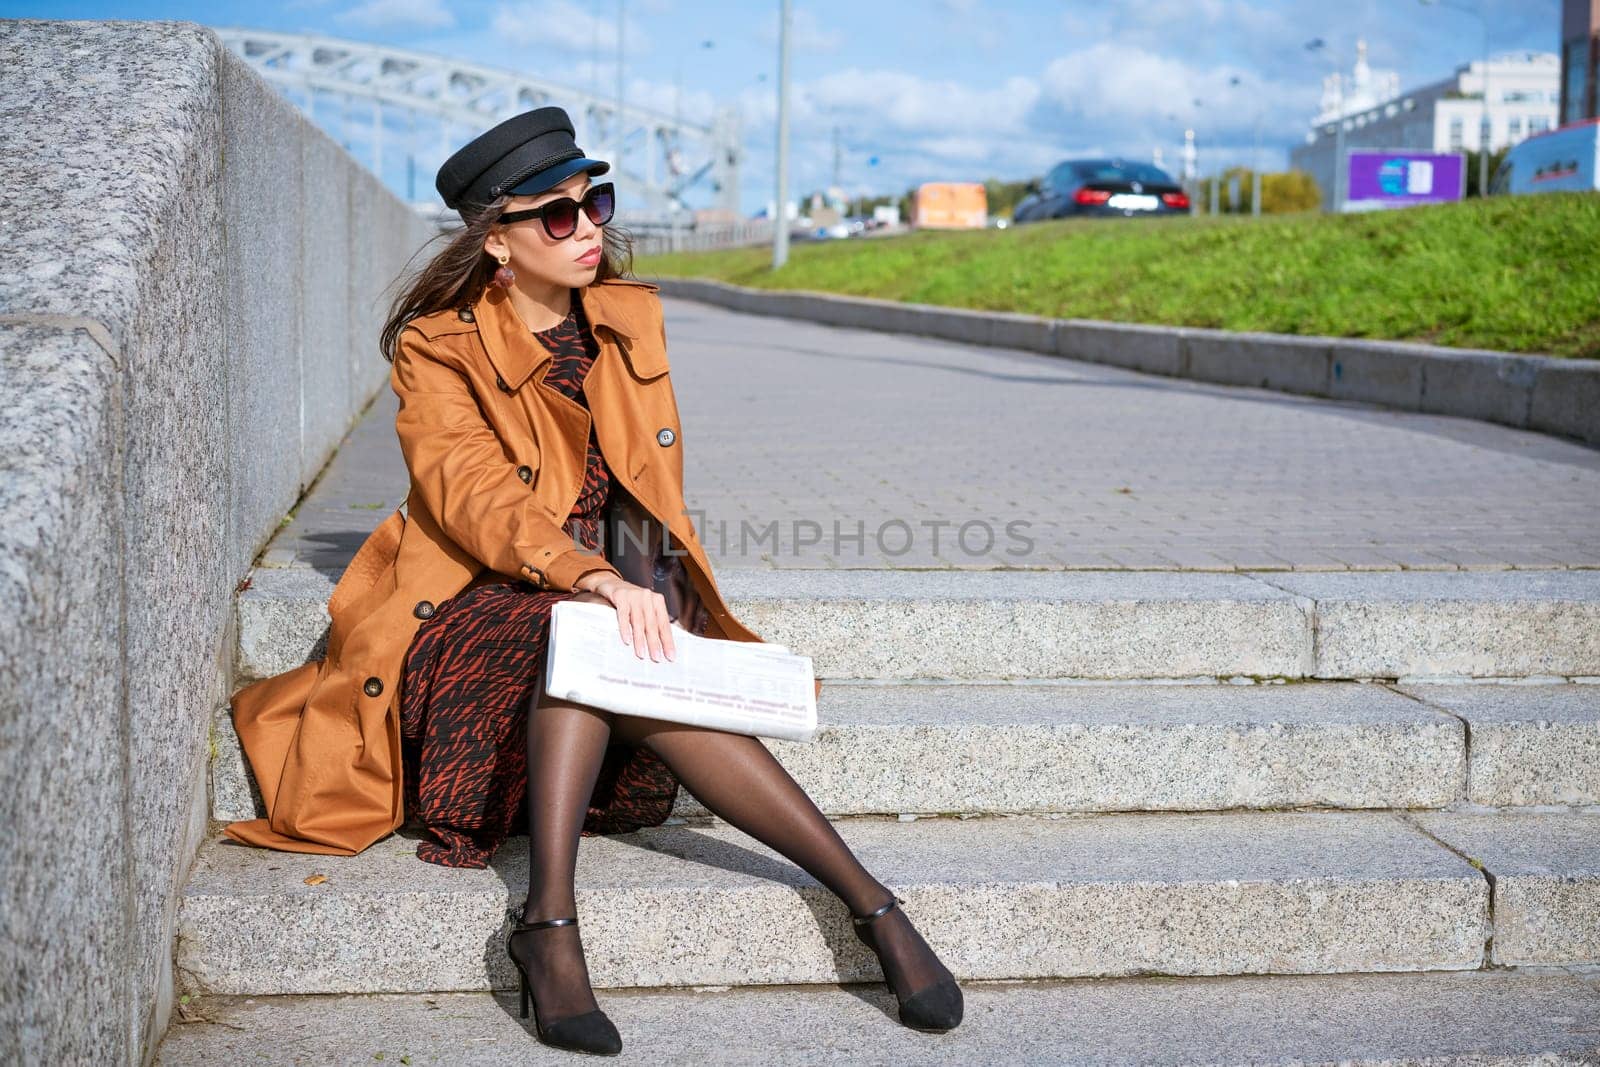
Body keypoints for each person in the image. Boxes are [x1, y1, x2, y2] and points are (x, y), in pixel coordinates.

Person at [382, 107, 963, 1055]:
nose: (590, 231)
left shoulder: (627, 318)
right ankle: (555, 922)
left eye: (595, 203)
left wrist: (644, 580)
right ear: (496, 240)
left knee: (608, 638)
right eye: (558, 217)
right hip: (477, 602)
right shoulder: (437, 346)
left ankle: (868, 901)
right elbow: (474, 498)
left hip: (606, 587)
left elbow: (643, 486)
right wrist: (592, 578)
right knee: (589, 632)